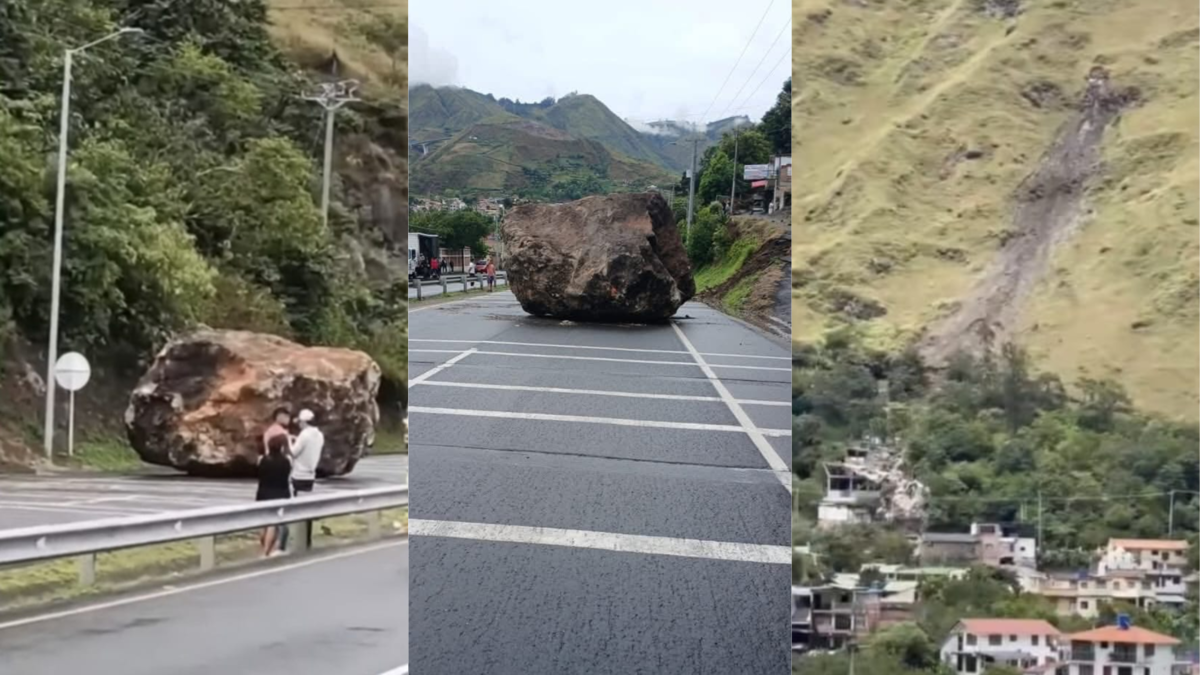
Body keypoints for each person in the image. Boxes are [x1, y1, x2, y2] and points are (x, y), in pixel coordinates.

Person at [289, 408, 325, 549]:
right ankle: (307, 539)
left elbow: (294, 452)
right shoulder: (319, 435)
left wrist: (289, 441)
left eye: (300, 422)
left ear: (304, 422)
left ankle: (298, 540)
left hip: (299, 474)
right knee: (307, 507)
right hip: (311, 475)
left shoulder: (304, 435)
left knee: (298, 508)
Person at [256, 434, 292, 557]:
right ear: (282, 447)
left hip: (263, 493)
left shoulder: (263, 460)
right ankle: (266, 551)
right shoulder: (286, 461)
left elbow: (259, 475)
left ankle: (264, 544)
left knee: (264, 522)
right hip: (279, 493)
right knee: (272, 524)